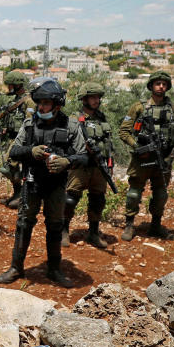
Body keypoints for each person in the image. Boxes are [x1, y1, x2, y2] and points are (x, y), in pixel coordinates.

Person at [0, 77, 87, 289]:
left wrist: (67, 161)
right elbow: (14, 151)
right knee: (23, 225)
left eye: (46, 103)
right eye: (39, 102)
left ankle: (54, 269)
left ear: (56, 104)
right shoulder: (29, 125)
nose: (41, 107)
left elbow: (84, 157)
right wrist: (31, 151)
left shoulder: (71, 125)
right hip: (31, 183)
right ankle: (16, 267)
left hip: (56, 186)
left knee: (55, 226)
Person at [118, 71, 174, 241]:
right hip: (142, 159)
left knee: (161, 194)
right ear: (151, 86)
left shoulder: (173, 108)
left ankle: (155, 225)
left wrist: (171, 156)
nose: (161, 86)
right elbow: (124, 131)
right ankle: (129, 225)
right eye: (158, 83)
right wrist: (137, 147)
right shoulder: (139, 107)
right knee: (134, 194)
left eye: (164, 84)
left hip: (163, 159)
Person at [63, 82, 114, 248]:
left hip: (99, 166)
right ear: (84, 98)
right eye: (92, 97)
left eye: (98, 97)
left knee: (98, 199)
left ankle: (93, 232)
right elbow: (65, 141)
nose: (96, 100)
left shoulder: (102, 118)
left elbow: (108, 143)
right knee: (70, 199)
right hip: (80, 166)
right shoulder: (73, 118)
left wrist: (110, 162)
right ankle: (63, 231)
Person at [0, 70, 32, 208]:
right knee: (12, 169)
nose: (8, 88)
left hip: (23, 141)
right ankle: (17, 194)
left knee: (11, 167)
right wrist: (5, 129)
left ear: (17, 85)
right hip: (13, 138)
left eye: (10, 85)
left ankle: (23, 197)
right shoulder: (15, 100)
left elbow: (29, 123)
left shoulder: (28, 101)